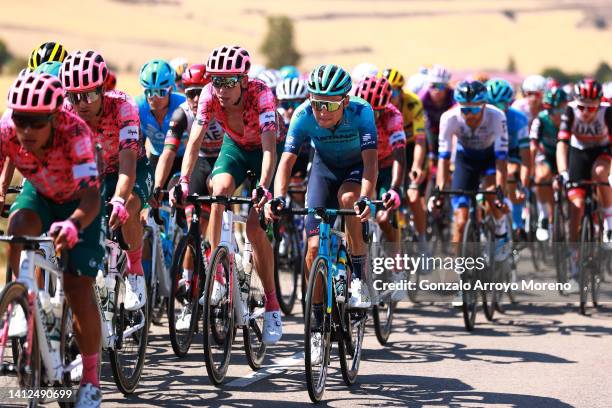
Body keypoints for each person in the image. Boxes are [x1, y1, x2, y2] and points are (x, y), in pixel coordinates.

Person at [2, 73, 103, 407]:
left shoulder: (76, 134)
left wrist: (74, 224)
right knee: (18, 225)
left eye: (36, 122)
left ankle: (90, 380)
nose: (26, 131)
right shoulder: (7, 129)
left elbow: (92, 199)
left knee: (77, 287)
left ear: (55, 117)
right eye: (20, 120)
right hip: (41, 194)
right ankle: (21, 298)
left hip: (79, 203)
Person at [177, 45, 283, 345]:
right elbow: (194, 142)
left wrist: (263, 186)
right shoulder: (209, 94)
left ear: (244, 80)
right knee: (218, 188)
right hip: (235, 149)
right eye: (216, 80)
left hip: (262, 154)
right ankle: (218, 260)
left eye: (228, 81)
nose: (220, 88)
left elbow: (268, 147)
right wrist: (184, 180)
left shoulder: (261, 94)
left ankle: (273, 305)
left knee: (254, 228)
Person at [267, 63, 378, 311]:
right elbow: (286, 162)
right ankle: (317, 323)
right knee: (314, 247)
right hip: (323, 169)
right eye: (317, 103)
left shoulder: (362, 112)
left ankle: (359, 277)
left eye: (328, 104)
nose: (321, 112)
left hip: (355, 168)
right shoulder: (303, 115)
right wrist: (280, 197)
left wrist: (366, 198)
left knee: (349, 198)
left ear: (345, 101)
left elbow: (371, 162)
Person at [61, 50, 151, 311]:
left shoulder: (123, 107)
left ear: (102, 90)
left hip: (131, 169)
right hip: (94, 174)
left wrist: (120, 200)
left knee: (129, 208)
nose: (81, 104)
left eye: (88, 95)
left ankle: (135, 272)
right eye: (74, 96)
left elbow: (127, 167)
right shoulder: (67, 111)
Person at [150, 64, 226, 330]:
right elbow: (168, 153)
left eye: (198, 92)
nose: (194, 99)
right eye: (189, 92)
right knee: (193, 227)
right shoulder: (182, 114)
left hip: (225, 160)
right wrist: (158, 187)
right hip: (202, 161)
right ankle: (189, 298)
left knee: (219, 196)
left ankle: (221, 267)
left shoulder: (223, 108)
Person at [431, 81, 509, 261]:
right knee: (460, 222)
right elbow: (443, 158)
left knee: (492, 194)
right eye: (464, 110)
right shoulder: (449, 118)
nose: (469, 115)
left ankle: (500, 231)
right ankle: (460, 272)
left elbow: (501, 159)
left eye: (474, 110)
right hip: (465, 159)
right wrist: (439, 189)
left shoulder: (496, 116)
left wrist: (500, 190)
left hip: (490, 158)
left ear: (483, 106)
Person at [556, 78, 612, 290]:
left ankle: (609, 224)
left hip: (602, 151)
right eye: (582, 107)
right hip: (578, 153)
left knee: (600, 175)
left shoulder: (607, 112)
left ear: (600, 103)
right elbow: (562, 143)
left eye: (591, 108)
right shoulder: (570, 111)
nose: (586, 112)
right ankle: (574, 264)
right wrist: (562, 172)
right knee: (576, 207)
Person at [379, 67, 428, 247]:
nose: (391, 95)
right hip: (391, 149)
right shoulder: (379, 105)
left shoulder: (413, 103)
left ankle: (423, 243)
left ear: (402, 90)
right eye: (387, 90)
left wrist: (416, 166)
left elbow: (421, 141)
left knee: (413, 196)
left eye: (396, 90)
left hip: (412, 147)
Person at [486, 79, 530, 241]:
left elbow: (526, 156)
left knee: (510, 173)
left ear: (509, 103)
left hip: (512, 154)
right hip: (490, 153)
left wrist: (524, 185)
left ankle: (516, 222)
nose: (498, 109)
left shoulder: (519, 119)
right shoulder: (484, 117)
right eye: (493, 104)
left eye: (502, 105)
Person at [529, 87, 570, 241]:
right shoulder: (540, 119)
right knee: (541, 177)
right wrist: (531, 171)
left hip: (567, 156)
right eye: (552, 112)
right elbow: (533, 146)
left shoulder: (570, 118)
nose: (556, 116)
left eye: (560, 111)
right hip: (547, 155)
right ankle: (544, 215)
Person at [136, 59, 186, 177]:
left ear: (170, 89)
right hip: (157, 156)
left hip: (183, 158)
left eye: (161, 92)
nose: (154, 97)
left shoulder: (183, 104)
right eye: (149, 92)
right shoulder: (137, 107)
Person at [419, 64, 455, 163]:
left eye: (441, 86)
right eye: (433, 86)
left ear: (447, 87)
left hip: (448, 129)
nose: (437, 90)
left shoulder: (453, 96)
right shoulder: (423, 96)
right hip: (430, 127)